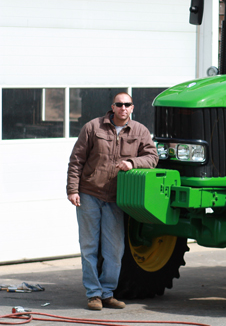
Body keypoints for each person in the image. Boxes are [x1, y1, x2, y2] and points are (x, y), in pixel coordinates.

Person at [67, 92, 158, 310]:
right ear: (113, 106)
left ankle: (107, 293)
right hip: (89, 194)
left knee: (114, 250)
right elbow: (76, 160)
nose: (123, 108)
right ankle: (93, 294)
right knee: (89, 246)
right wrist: (72, 190)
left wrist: (133, 163)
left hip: (117, 199)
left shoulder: (140, 131)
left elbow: (153, 157)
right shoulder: (93, 127)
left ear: (132, 108)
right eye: (119, 104)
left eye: (127, 105)